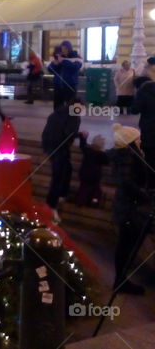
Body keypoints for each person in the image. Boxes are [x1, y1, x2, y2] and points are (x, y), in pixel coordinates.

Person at [107, 123, 151, 295]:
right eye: (137, 139)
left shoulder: (126, 155)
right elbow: (126, 183)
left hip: (128, 208)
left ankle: (121, 279)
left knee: (126, 246)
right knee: (127, 246)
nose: (140, 141)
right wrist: (144, 195)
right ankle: (120, 280)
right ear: (130, 142)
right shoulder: (127, 157)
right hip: (130, 210)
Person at [41, 98, 81, 223]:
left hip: (49, 145)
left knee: (67, 169)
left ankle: (62, 195)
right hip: (60, 147)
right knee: (58, 176)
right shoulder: (74, 116)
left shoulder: (55, 113)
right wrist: (80, 135)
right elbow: (69, 132)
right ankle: (51, 205)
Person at [73, 132, 107, 207]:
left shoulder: (87, 150)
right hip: (94, 176)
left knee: (83, 188)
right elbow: (107, 161)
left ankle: (80, 202)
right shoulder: (101, 154)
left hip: (83, 174)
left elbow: (82, 145)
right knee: (96, 190)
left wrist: (83, 138)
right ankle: (94, 202)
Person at [132, 62, 155, 172]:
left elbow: (135, 110)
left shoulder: (143, 91)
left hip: (148, 130)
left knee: (150, 159)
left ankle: (150, 185)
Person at [47, 41, 83, 109]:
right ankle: (58, 119)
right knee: (57, 108)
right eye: (62, 49)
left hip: (70, 86)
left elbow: (75, 67)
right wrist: (55, 64)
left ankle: (71, 119)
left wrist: (63, 61)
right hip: (58, 87)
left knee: (71, 107)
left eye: (66, 48)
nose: (63, 50)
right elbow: (50, 69)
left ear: (69, 49)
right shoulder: (59, 57)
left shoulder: (76, 58)